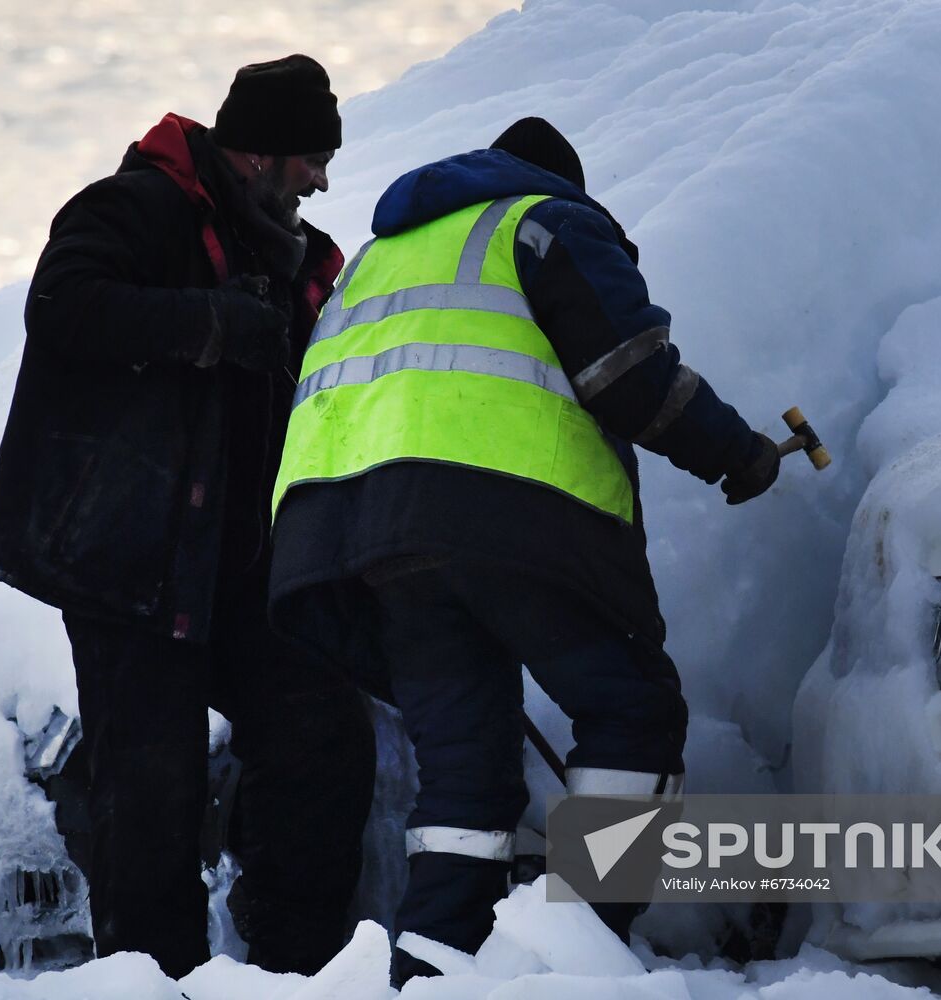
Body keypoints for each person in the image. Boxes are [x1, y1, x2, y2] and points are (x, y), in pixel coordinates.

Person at [266, 117, 781, 980]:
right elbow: (627, 372)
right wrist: (737, 451)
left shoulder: (378, 257)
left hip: (364, 539)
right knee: (630, 712)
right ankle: (581, 952)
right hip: (505, 509)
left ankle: (431, 971)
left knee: (465, 769)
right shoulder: (546, 221)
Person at [0, 56, 376, 978]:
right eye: (313, 158)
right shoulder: (133, 209)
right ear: (260, 154)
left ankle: (291, 971)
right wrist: (204, 325)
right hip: (130, 563)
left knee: (324, 730)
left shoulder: (296, 261)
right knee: (149, 790)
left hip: (238, 570)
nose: (322, 179)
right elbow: (62, 306)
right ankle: (158, 983)